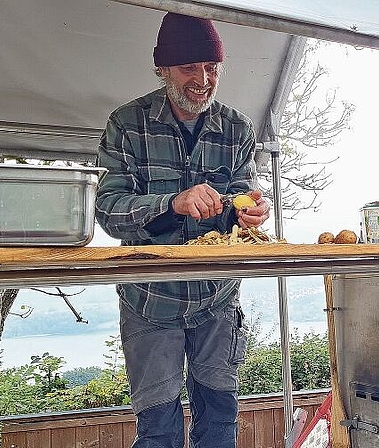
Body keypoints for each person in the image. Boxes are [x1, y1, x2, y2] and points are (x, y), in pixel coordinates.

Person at [95, 12, 270, 448]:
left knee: (220, 423)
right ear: (163, 68)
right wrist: (171, 203)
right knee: (159, 432)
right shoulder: (127, 124)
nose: (203, 80)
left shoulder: (237, 128)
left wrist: (247, 216)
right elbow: (107, 209)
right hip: (150, 302)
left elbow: (238, 200)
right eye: (189, 67)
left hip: (218, 300)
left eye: (212, 68)